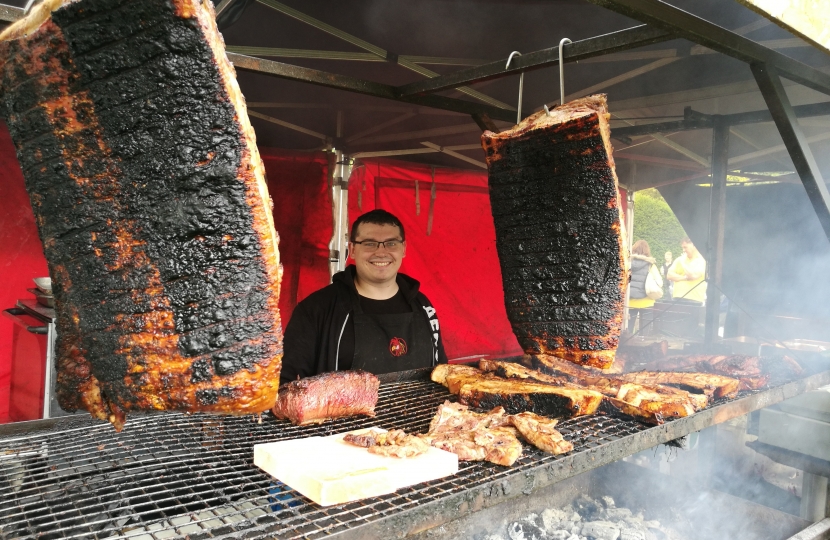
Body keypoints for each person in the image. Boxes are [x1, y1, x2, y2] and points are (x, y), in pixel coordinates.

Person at [280, 209, 448, 384]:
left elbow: (442, 373)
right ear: (352, 249)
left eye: (391, 243)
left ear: (403, 249)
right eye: (369, 243)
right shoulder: (315, 310)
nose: (381, 252)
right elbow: (287, 384)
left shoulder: (424, 307)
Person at [627, 240, 662, 335]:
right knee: (645, 332)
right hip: (647, 301)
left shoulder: (627, 263)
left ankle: (627, 348)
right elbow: (659, 282)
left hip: (630, 302)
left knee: (628, 330)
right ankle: (643, 347)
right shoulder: (651, 265)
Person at [667, 237, 707, 305]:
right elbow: (669, 275)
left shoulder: (701, 260)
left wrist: (683, 263)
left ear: (694, 245)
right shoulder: (679, 259)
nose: (683, 250)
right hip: (677, 297)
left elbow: (692, 276)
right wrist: (685, 278)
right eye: (682, 247)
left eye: (685, 247)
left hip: (694, 299)